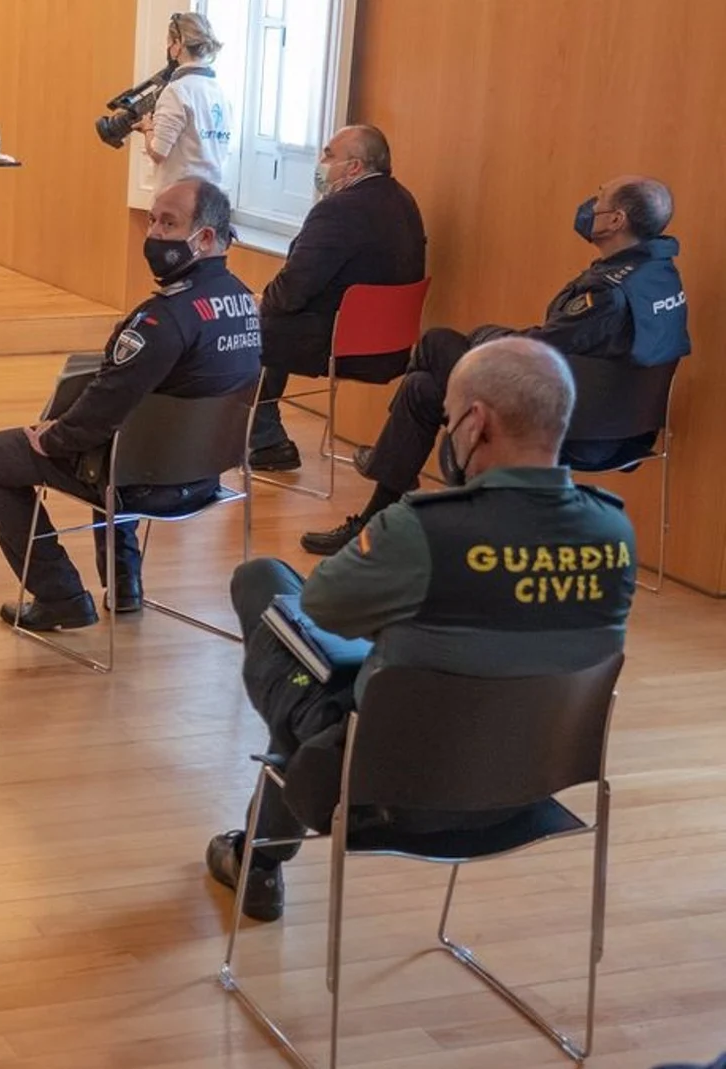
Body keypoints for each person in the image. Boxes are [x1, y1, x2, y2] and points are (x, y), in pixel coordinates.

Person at [207, 339, 637, 921]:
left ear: (475, 423)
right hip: (528, 784)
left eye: (447, 418)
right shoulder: (614, 531)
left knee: (264, 585)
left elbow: (326, 610)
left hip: (387, 787)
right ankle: (259, 856)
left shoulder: (422, 532)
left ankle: (259, 862)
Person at [302, 175, 688, 556]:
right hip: (617, 423)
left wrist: (485, 339)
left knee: (436, 347)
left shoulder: (607, 293)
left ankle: (392, 491)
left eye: (599, 198)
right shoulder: (659, 276)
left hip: (574, 427)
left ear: (616, 221)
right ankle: (378, 519)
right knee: (423, 389)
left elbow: (537, 349)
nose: (590, 204)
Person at [0, 179, 261, 630]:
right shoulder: (245, 302)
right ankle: (124, 587)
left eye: (169, 223)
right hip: (205, 474)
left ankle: (59, 595)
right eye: (153, 220)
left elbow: (103, 407)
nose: (154, 234)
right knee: (126, 442)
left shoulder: (164, 318)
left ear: (204, 238)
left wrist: (53, 438)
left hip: (144, 480)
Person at [250, 125, 426, 470]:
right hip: (391, 344)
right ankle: (263, 436)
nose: (320, 161)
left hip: (339, 342)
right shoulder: (404, 201)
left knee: (247, 326)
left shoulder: (337, 210)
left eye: (329, 154)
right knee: (272, 319)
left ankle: (264, 439)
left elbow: (292, 290)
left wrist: (260, 302)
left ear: (355, 166)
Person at [137, 12, 233, 192]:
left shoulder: (176, 91)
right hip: (211, 198)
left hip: (177, 201)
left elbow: (158, 152)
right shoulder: (220, 92)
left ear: (178, 45)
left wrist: (147, 128)